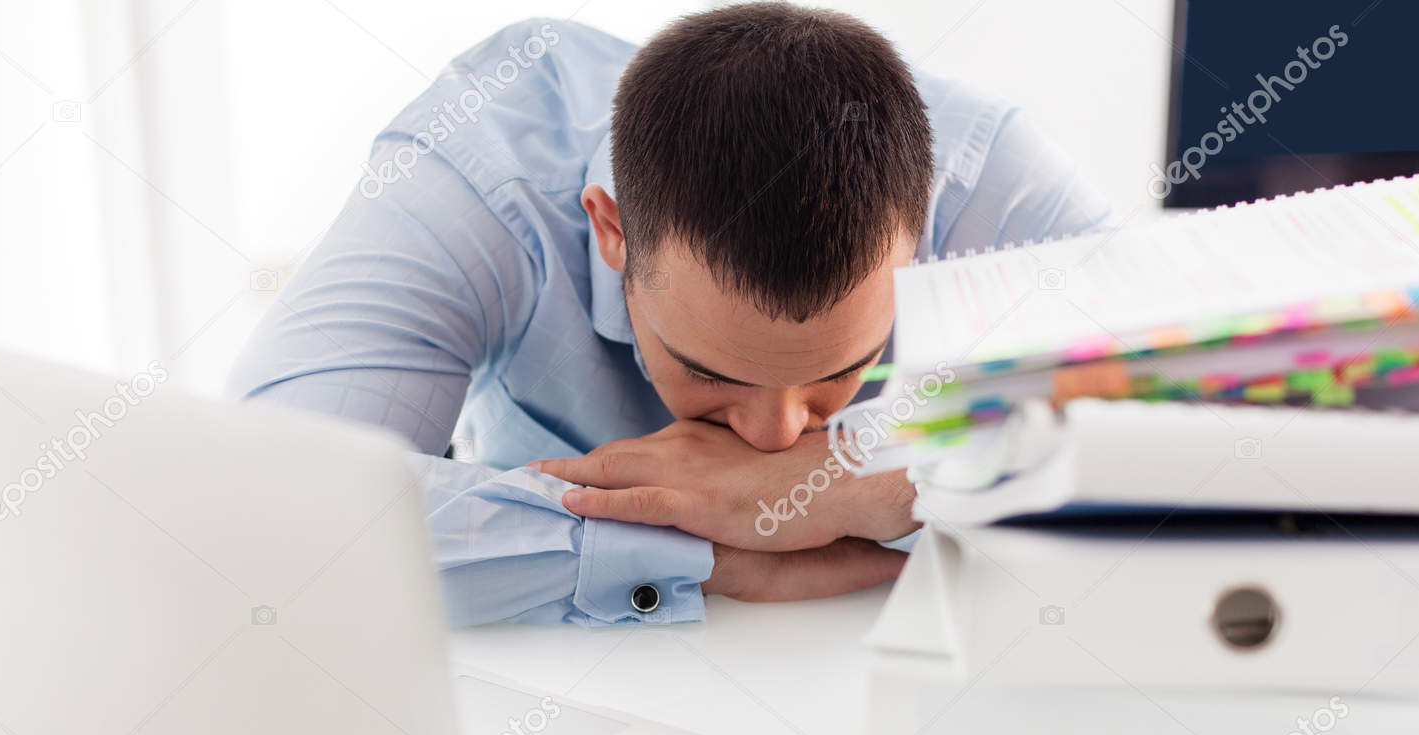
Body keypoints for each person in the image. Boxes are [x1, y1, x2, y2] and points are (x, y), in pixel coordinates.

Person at [228, 4, 1110, 626]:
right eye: (715, 372)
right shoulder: (476, 173)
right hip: (553, 685)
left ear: (918, 241)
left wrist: (877, 477)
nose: (774, 440)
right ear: (611, 231)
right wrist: (707, 550)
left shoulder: (993, 180)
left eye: (840, 370)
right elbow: (271, 508)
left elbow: (1227, 411)